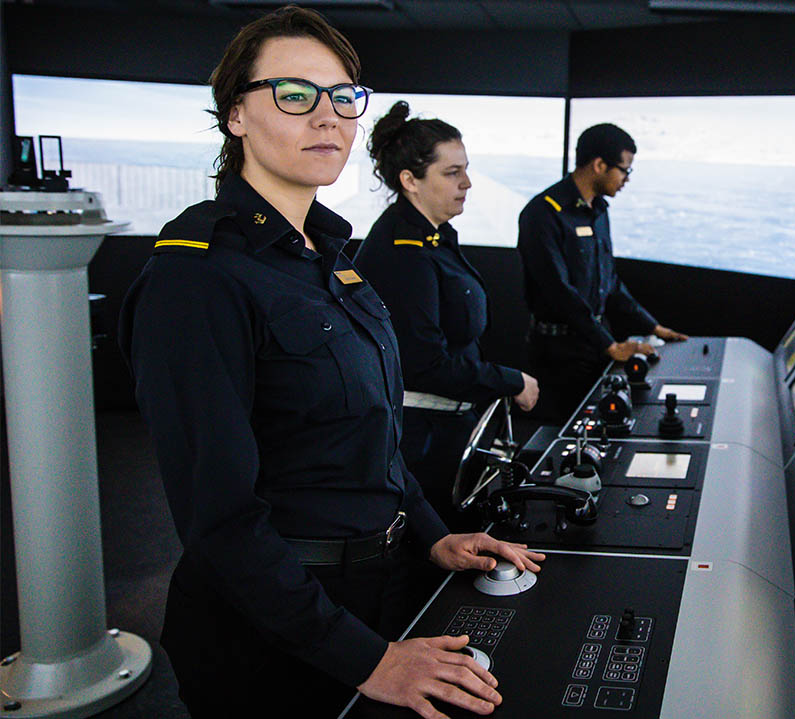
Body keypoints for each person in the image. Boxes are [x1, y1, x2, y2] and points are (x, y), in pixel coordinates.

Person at [119, 8, 542, 718]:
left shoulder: (330, 258)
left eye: (343, 97)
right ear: (236, 116)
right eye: (295, 94)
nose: (328, 117)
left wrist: (434, 534)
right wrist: (367, 658)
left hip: (380, 582)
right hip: (271, 632)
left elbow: (371, 441)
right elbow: (221, 521)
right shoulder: (196, 279)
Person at [355, 102, 537, 531]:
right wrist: (510, 381)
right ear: (410, 181)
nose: (467, 183)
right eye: (452, 172)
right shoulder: (404, 254)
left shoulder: (432, 237)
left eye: (466, 169)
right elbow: (424, 365)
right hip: (421, 440)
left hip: (450, 425)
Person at [517, 123, 688, 421]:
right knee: (563, 436)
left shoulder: (598, 211)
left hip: (593, 344)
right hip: (558, 354)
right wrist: (609, 344)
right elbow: (558, 291)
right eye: (625, 170)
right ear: (599, 165)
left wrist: (653, 327)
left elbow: (610, 282)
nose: (626, 179)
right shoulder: (542, 214)